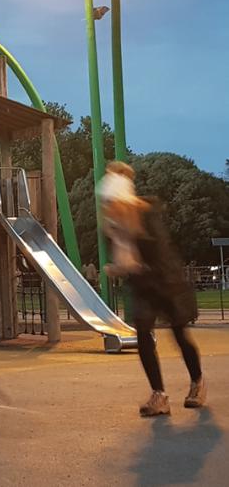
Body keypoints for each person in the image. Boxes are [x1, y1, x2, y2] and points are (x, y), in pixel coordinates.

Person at [98, 161, 205, 416]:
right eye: (107, 205)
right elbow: (126, 260)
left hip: (167, 283)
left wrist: (133, 265)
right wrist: (120, 267)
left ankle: (197, 382)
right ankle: (159, 395)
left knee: (180, 335)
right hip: (142, 286)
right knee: (144, 335)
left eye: (113, 204)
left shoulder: (147, 216)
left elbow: (160, 258)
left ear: (125, 202)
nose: (110, 210)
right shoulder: (113, 227)